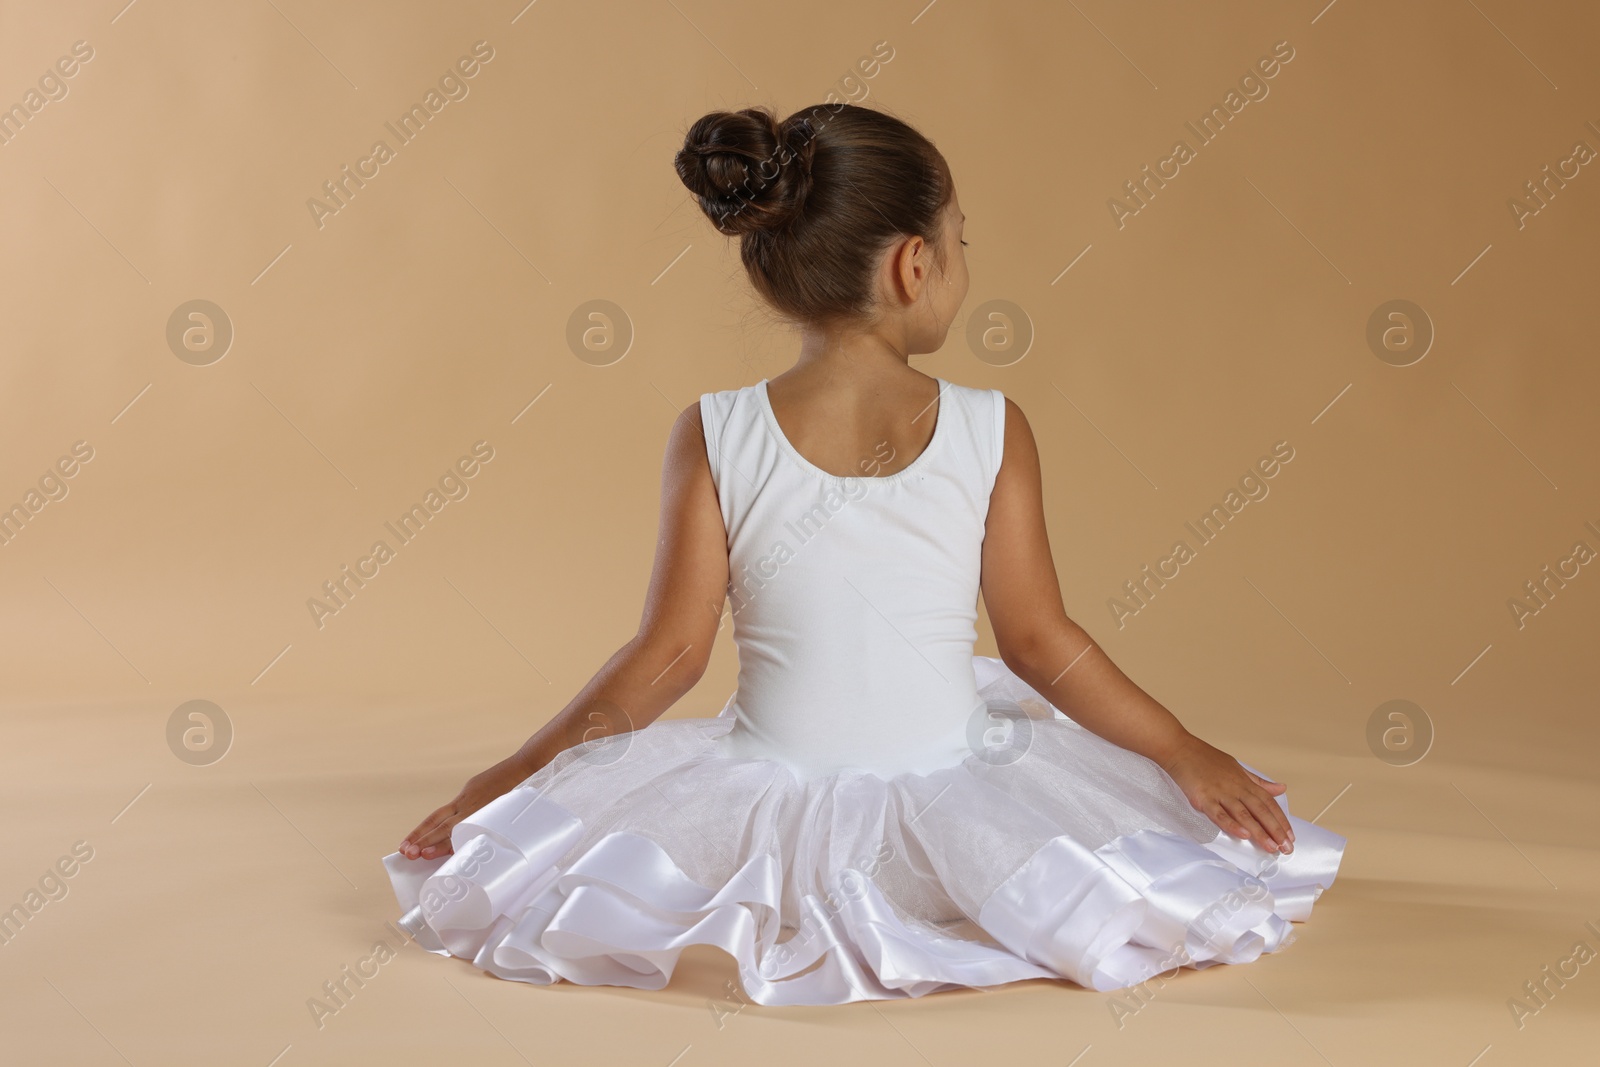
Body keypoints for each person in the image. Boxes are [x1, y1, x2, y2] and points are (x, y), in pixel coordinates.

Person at [383, 102, 1345, 1006]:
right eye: (963, 244)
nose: (965, 267)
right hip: (962, 784)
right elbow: (1041, 643)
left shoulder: (714, 430)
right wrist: (1181, 751)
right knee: (1144, 880)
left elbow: (668, 658)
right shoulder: (991, 427)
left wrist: (512, 777)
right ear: (914, 266)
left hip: (768, 786)